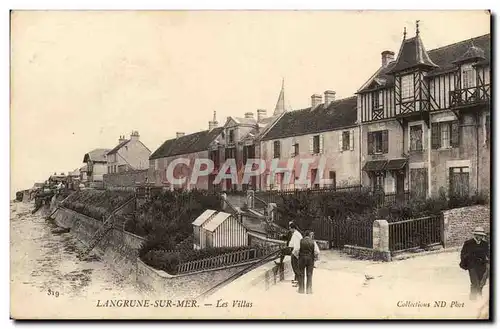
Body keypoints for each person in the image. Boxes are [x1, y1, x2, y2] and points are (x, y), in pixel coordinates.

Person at [460, 227, 490, 300]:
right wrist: (466, 262)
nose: (481, 237)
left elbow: (488, 254)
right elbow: (462, 254)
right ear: (475, 235)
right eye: (479, 235)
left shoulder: (484, 244)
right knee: (474, 282)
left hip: (481, 265)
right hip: (472, 265)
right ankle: (473, 298)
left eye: (482, 235)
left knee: (480, 282)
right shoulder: (468, 243)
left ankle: (479, 294)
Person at [296, 230, 320, 294]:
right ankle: (309, 290)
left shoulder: (301, 241)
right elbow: (317, 252)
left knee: (301, 274)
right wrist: (315, 258)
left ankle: (301, 290)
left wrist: (298, 256)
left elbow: (296, 250)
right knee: (309, 274)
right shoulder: (313, 242)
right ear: (310, 235)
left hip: (302, 258)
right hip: (310, 259)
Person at [288, 222, 303, 287]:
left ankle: (298, 282)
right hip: (296, 252)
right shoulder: (296, 234)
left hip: (296, 253)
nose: (289, 230)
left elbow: (297, 246)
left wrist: (295, 254)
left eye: (290, 228)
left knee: (295, 267)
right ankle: (296, 280)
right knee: (296, 267)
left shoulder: (296, 235)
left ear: (293, 228)